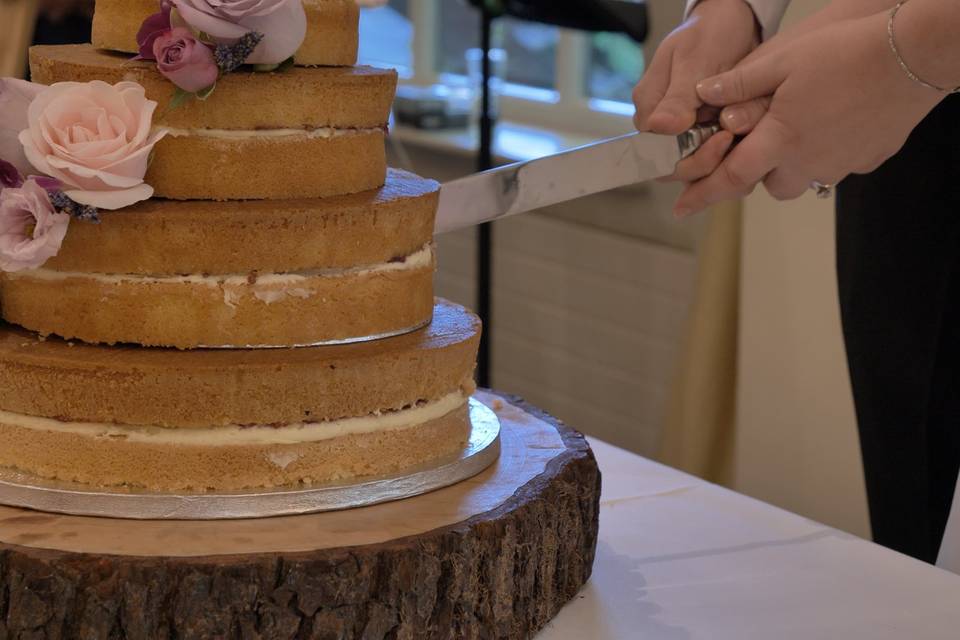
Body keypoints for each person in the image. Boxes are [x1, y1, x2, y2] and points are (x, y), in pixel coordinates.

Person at [633, 0, 960, 566]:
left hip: (908, 50)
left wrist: (912, 47)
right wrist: (737, 10)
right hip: (908, 105)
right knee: (906, 490)